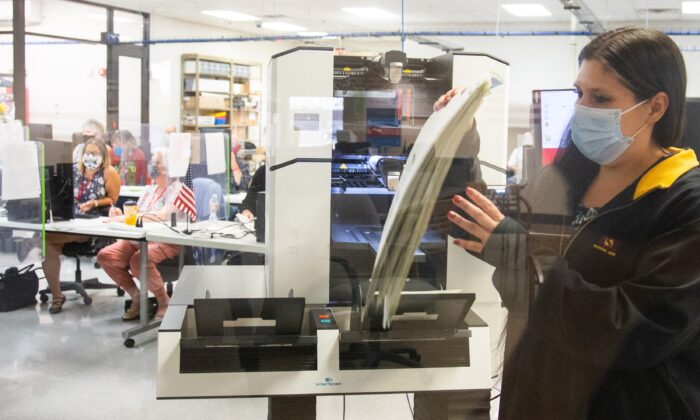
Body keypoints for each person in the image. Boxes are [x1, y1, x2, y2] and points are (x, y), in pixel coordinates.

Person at [440, 27, 700, 418]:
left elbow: (632, 331)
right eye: (579, 93)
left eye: (601, 98)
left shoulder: (683, 203)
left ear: (655, 107)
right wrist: (458, 147)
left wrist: (518, 256)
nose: (583, 108)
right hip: (537, 395)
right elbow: (473, 224)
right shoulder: (565, 177)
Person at [96, 150, 182, 320]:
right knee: (106, 256)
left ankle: (164, 301)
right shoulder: (150, 189)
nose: (151, 167)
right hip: (138, 238)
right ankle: (138, 298)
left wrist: (125, 219)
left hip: (165, 240)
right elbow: (136, 214)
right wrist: (119, 213)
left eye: (156, 163)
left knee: (138, 259)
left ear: (168, 168)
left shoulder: (178, 190)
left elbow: (161, 216)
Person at [42, 137, 121, 314]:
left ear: (103, 156)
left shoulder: (108, 173)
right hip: (71, 218)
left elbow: (113, 200)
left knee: (47, 241)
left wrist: (94, 203)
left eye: (94, 153)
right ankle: (57, 294)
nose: (90, 157)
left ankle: (57, 297)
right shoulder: (75, 170)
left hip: (93, 224)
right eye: (87, 153)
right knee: (48, 243)